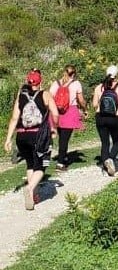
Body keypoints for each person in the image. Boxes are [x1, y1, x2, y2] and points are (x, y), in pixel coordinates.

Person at [4, 69, 59, 210]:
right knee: (42, 165)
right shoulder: (45, 94)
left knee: (30, 164)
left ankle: (33, 196)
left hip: (21, 136)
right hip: (38, 136)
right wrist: (54, 128)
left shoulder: (21, 97)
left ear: (28, 82)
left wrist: (8, 139)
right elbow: (55, 113)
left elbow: (14, 118)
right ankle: (29, 189)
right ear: (40, 81)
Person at [92, 65, 118, 177]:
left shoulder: (99, 87)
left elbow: (94, 104)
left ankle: (105, 166)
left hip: (100, 117)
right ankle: (110, 159)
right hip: (115, 117)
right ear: (117, 75)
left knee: (105, 143)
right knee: (117, 141)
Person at [49, 65, 88, 171]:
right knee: (64, 139)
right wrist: (85, 109)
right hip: (70, 112)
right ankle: (60, 163)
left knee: (61, 137)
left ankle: (63, 156)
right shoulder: (76, 84)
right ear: (74, 73)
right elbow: (81, 100)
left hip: (56, 112)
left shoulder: (55, 83)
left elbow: (49, 97)